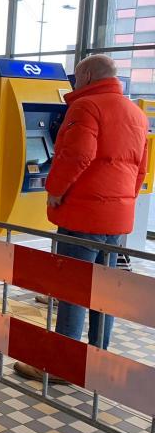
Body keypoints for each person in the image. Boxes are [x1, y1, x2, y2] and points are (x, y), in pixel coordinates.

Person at [14, 55, 148, 382]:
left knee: (72, 289)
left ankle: (64, 365)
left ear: (87, 75)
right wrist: (122, 202)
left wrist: (55, 189)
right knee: (105, 289)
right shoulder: (135, 112)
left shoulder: (86, 107)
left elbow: (76, 154)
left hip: (83, 214)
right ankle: (98, 357)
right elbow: (141, 168)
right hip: (116, 219)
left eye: (77, 75)